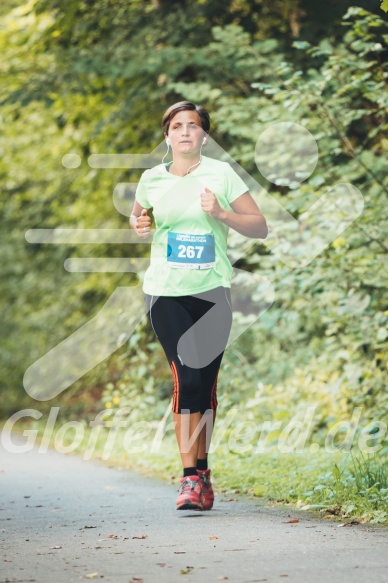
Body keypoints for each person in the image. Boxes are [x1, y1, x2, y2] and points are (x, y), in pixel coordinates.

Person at [129, 101, 268, 511]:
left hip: (212, 292)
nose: (185, 131)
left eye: (193, 125)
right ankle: (190, 479)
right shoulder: (151, 179)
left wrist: (221, 212)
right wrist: (139, 224)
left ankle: (201, 472)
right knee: (186, 379)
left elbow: (259, 227)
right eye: (177, 126)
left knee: (204, 386)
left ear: (204, 136)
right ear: (167, 136)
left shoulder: (221, 175)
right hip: (165, 293)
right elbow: (139, 220)